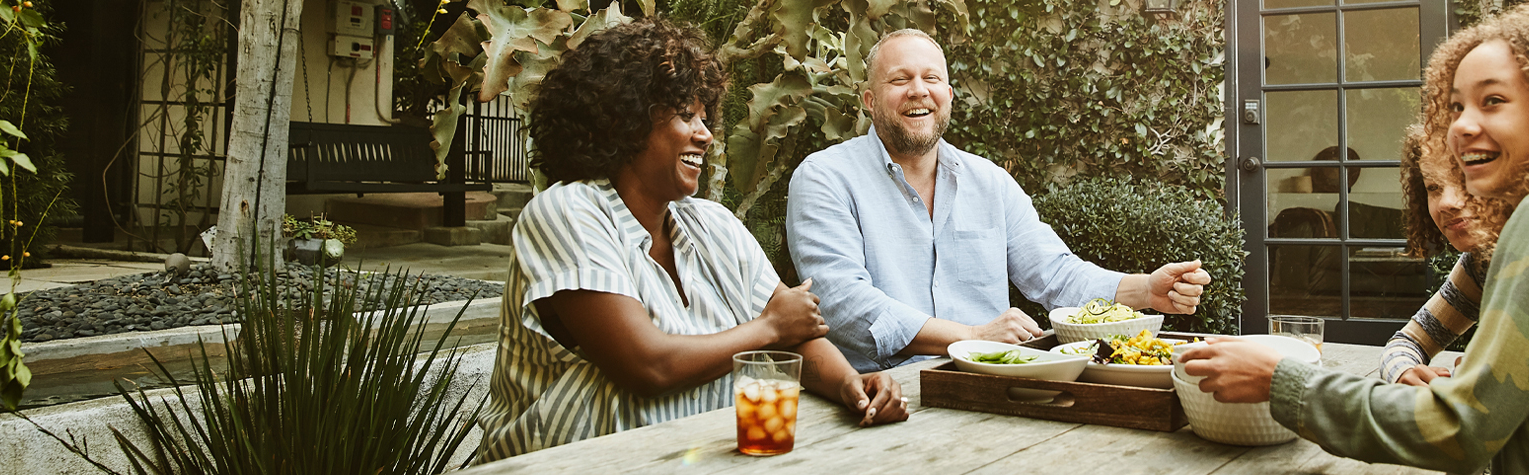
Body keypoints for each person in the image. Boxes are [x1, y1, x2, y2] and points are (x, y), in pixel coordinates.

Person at [1180, 7, 1529, 473]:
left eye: (1492, 101)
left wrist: (1281, 379)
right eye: (1456, 106)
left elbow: (1457, 431)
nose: (1463, 125)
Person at [474, 19, 906, 463]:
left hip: (694, 460)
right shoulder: (567, 213)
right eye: (685, 115)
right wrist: (768, 328)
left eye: (705, 116)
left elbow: (796, 335)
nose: (704, 133)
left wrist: (849, 384)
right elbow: (648, 365)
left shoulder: (712, 225)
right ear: (624, 120)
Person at [786, 29, 1213, 372]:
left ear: (948, 96)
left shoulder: (989, 182)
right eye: (900, 80)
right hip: (874, 395)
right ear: (869, 101)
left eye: (931, 79)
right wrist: (970, 336)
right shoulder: (825, 177)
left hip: (988, 385)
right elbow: (842, 303)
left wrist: (1146, 290)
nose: (918, 90)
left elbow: (1055, 274)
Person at [1378, 126, 1500, 387]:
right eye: (1433, 187)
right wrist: (1403, 372)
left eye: (1464, 179)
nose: (1446, 202)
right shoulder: (1482, 263)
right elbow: (1407, 341)